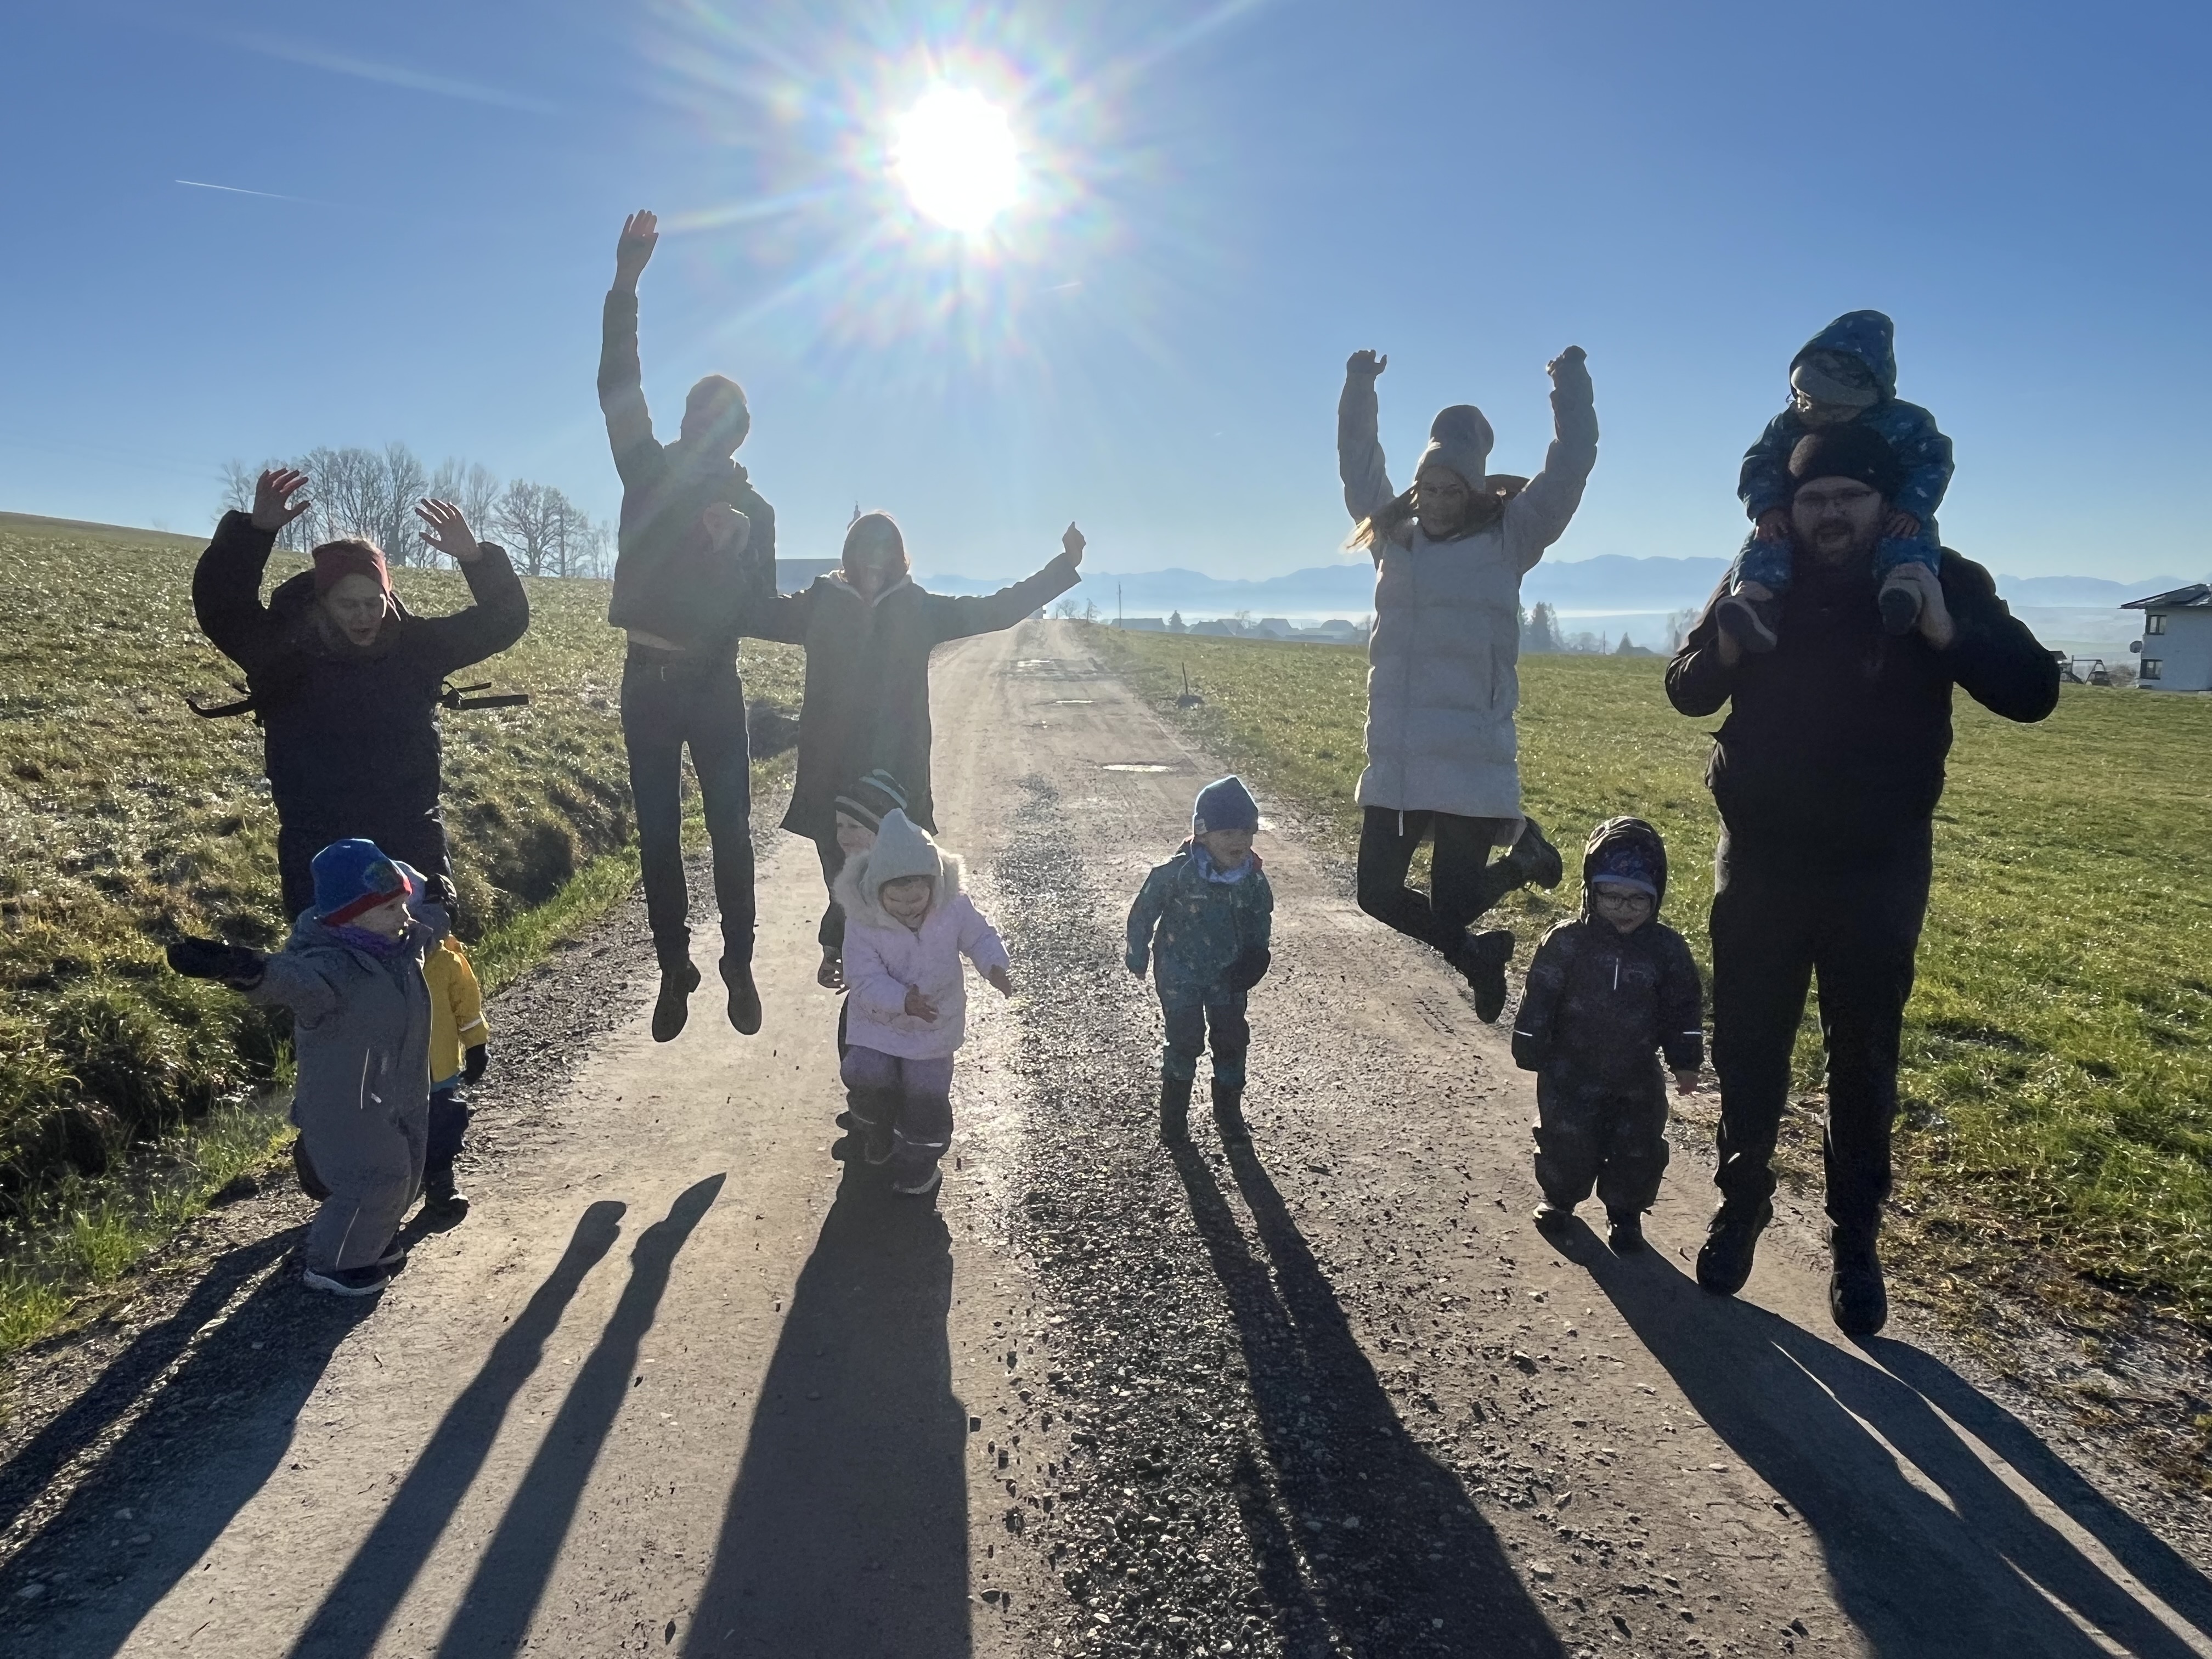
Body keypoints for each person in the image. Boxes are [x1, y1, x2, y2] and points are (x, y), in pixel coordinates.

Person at [1667, 424, 2058, 1336]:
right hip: (1760, 855)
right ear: (1788, 506)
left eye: (1848, 495)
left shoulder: (1937, 572)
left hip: (1877, 865)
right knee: (1750, 1045)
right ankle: (1741, 1201)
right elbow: (1685, 689)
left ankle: (1854, 1242)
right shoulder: (1758, 567)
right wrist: (1724, 648)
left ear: (1886, 502)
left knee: (1863, 1059)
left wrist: (1942, 628)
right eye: (1813, 497)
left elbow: (2034, 690)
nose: (1829, 512)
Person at [1337, 345, 1598, 1022]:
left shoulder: (1511, 537)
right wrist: (1359, 382)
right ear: (1417, 487)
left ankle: (1518, 865)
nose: (1440, 502)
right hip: (1398, 753)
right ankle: (1480, 955)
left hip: (1469, 750)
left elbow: (1570, 467)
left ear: (1476, 489)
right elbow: (1357, 460)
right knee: (1376, 893)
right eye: (1430, 488)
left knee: (1452, 904)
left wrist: (1568, 387)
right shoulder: (1392, 539)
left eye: (1454, 490)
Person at [754, 511, 1081, 988]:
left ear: (899, 558)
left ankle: (889, 986)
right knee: (845, 881)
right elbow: (752, 613)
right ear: (849, 555)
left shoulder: (916, 608)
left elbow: (996, 609)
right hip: (831, 771)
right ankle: (853, 972)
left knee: (899, 884)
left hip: (896, 773)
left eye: (885, 550)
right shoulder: (821, 603)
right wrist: (718, 551)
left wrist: (1062, 566)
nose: (874, 560)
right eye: (865, 549)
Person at [193, 473, 529, 923]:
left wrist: (475, 557)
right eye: (349, 604)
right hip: (318, 849)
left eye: (374, 602)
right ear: (323, 601)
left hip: (411, 840)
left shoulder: (416, 649)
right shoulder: (282, 650)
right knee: (332, 973)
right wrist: (254, 533)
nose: (365, 616)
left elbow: (504, 621)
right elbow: (222, 605)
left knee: (425, 965)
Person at [599, 208, 780, 1043]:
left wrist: (737, 554)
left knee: (732, 832)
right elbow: (616, 390)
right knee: (660, 836)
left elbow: (760, 611)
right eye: (701, 420)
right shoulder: (649, 470)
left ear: (738, 435)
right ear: (686, 425)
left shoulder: (754, 507)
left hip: (714, 682)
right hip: (646, 680)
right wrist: (626, 287)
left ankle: (738, 960)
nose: (711, 434)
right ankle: (675, 966)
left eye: (726, 424)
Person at [166, 840, 443, 1296]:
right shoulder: (329, 969)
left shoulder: (399, 945)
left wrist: (441, 901)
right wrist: (242, 968)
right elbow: (288, 980)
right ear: (349, 917)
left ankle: (370, 1240)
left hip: (401, 1089)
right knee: (376, 1178)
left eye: (405, 903)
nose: (405, 916)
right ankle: (334, 1263)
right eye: (393, 907)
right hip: (348, 1105)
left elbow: (427, 929)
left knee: (409, 1169)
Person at [1511, 819, 1703, 1255]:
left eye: (1638, 899)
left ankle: (1626, 1215)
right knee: (1566, 1140)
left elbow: (1683, 1006)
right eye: (1611, 896)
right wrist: (1528, 1040)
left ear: (1656, 897)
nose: (1624, 908)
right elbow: (1540, 990)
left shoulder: (1666, 950)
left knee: (1637, 1148)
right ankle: (1559, 1200)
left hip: (1637, 1072)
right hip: (1569, 1068)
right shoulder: (1567, 941)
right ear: (1591, 893)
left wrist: (1686, 1061)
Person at [1719, 310, 1954, 651]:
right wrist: (1766, 508)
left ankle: (1906, 590)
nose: (1814, 413)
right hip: (1789, 518)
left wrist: (1912, 507)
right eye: (1805, 400)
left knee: (1906, 536)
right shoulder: (1787, 424)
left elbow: (1932, 461)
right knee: (1767, 541)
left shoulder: (1907, 422)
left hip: (1897, 513)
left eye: (1832, 407)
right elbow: (1760, 463)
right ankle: (1755, 603)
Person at [833, 810, 1013, 1199]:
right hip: (879, 1023)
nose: (909, 907)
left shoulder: (953, 907)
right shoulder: (863, 921)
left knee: (926, 1094)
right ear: (877, 890)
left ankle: (920, 1163)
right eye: (896, 899)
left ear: (934, 883)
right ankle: (875, 1130)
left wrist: (995, 965)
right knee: (867, 1073)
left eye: (917, 896)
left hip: (933, 1023)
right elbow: (862, 977)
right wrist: (901, 1000)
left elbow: (980, 936)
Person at [1126, 776, 1274, 1146]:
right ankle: (1174, 1121)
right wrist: (1137, 950)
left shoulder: (1253, 881)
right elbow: (1144, 911)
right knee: (1185, 1041)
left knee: (1231, 1039)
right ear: (1203, 835)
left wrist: (1258, 955)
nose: (1239, 841)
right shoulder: (1176, 874)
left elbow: (1260, 919)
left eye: (1246, 831)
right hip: (1180, 973)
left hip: (1230, 974)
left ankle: (1229, 1114)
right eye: (1227, 833)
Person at [815, 769, 911, 990]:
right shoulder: (852, 878)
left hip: (907, 984)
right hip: (867, 987)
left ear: (882, 831)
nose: (844, 837)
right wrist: (832, 955)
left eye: (855, 827)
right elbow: (840, 914)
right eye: (840, 826)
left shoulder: (905, 878)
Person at [422, 926, 489, 1224]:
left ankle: (440, 1183)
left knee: (442, 1125)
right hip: (388, 1076)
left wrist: (476, 1044)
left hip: (439, 1068)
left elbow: (466, 1002)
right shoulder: (369, 955)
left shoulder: (444, 956)